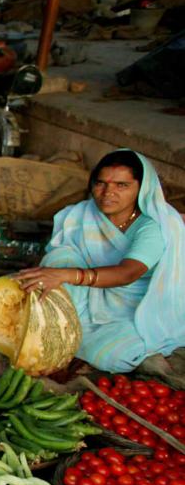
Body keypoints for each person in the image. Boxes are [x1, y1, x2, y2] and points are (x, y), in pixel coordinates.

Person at [15, 149, 184, 376]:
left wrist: (66, 275)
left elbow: (128, 273)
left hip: (137, 306)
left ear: (141, 189)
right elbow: (56, 262)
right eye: (101, 183)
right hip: (86, 298)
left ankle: (75, 339)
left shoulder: (154, 225)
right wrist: (52, 274)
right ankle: (58, 326)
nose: (107, 193)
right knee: (59, 259)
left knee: (112, 354)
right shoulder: (80, 215)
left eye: (121, 186)